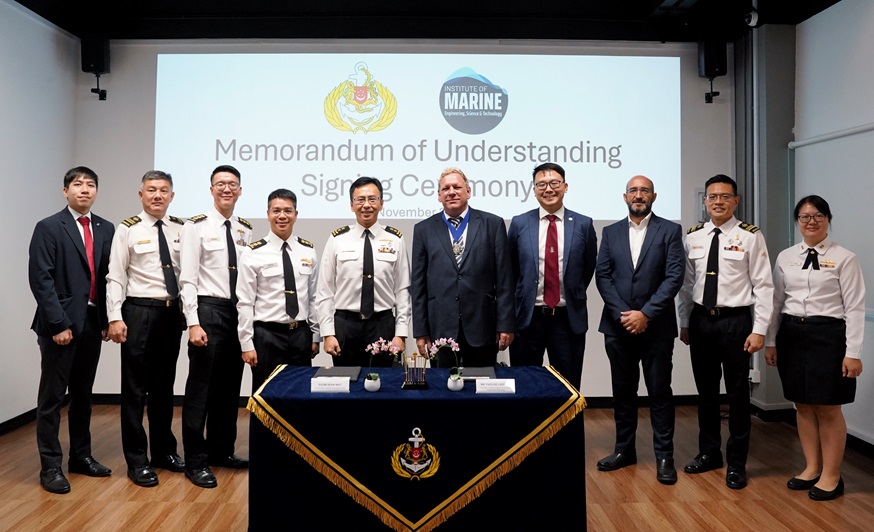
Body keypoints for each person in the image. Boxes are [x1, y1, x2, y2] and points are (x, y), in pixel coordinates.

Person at [765, 195, 865, 501]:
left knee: (828, 406)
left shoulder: (845, 258)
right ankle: (811, 468)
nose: (811, 221)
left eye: (818, 216)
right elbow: (776, 301)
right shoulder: (786, 257)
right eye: (805, 217)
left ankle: (832, 475)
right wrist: (770, 340)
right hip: (792, 334)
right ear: (797, 222)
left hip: (829, 336)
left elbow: (855, 308)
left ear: (828, 219)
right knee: (803, 404)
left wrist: (854, 352)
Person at [678, 174, 773, 490]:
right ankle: (709, 454)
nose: (717, 201)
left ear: (736, 201)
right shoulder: (693, 236)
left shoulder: (750, 236)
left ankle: (736, 462)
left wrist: (759, 330)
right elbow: (687, 285)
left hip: (736, 323)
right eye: (712, 196)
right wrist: (686, 322)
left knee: (737, 395)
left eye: (724, 196)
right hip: (702, 321)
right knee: (705, 392)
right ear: (704, 201)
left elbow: (763, 285)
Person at [594, 175, 685, 485]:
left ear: (654, 196)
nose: (638, 195)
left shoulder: (670, 230)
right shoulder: (610, 232)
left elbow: (674, 277)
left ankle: (664, 457)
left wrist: (645, 313)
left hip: (656, 327)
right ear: (624, 196)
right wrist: (625, 314)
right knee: (623, 393)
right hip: (618, 327)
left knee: (660, 392)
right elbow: (603, 276)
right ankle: (624, 451)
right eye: (633, 190)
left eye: (644, 190)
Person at [28, 166, 114, 494]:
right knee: (52, 398)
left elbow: (108, 279)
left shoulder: (106, 228)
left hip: (92, 325)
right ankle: (50, 466)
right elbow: (41, 278)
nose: (84, 190)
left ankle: (81, 457)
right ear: (66, 191)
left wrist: (106, 320)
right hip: (59, 326)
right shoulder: (49, 227)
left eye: (91, 185)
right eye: (77, 185)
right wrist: (58, 323)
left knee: (83, 396)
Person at [106, 170, 185, 487]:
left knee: (165, 388)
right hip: (138, 312)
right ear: (141, 194)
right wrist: (115, 316)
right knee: (136, 390)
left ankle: (164, 452)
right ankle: (137, 460)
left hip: (170, 314)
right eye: (151, 190)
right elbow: (116, 276)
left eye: (163, 190)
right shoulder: (128, 230)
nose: (157, 195)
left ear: (171, 195)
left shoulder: (181, 229)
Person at [179, 165, 253, 489]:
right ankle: (195, 461)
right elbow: (188, 279)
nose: (226, 189)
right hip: (208, 310)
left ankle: (222, 451)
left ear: (240, 190)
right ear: (211, 189)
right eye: (220, 184)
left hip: (236, 312)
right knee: (201, 390)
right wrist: (193, 322)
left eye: (232, 184)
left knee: (228, 388)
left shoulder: (244, 229)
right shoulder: (195, 227)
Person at [411, 167, 514, 367]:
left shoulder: (492, 224)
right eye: (446, 188)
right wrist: (421, 331)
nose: (452, 192)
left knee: (482, 390)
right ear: (439, 196)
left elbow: (504, 280)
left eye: (457, 187)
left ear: (468, 191)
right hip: (440, 327)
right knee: (443, 391)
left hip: (482, 325)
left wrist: (506, 325)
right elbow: (418, 285)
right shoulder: (423, 229)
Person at [507, 162, 596, 386]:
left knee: (568, 387)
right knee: (525, 386)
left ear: (565, 186)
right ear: (534, 189)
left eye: (554, 183)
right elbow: (512, 269)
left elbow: (586, 269)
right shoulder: (519, 223)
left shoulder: (583, 224)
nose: (548, 189)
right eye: (542, 184)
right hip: (528, 319)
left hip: (567, 319)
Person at [316, 177, 410, 367]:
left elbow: (402, 291)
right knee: (346, 386)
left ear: (381, 204)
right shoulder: (337, 239)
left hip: (382, 324)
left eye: (372, 199)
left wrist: (400, 334)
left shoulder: (395, 240)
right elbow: (325, 291)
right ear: (351, 205)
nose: (366, 205)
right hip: (345, 325)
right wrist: (327, 333)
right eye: (360, 200)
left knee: (384, 385)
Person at [238, 189, 320, 391]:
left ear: (296, 215)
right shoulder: (253, 252)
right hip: (266, 336)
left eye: (287, 211)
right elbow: (245, 301)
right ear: (268, 214)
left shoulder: (307, 250)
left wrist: (315, 335)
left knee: (300, 394)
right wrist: (246, 343)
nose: (282, 216)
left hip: (300, 333)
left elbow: (314, 298)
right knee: (266, 395)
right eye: (276, 211)